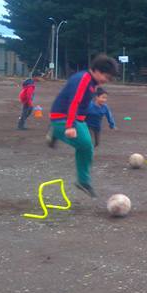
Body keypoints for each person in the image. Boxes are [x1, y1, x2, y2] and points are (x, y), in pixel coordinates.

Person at [45, 55, 119, 197]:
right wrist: (70, 126)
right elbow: (74, 102)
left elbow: (85, 104)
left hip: (77, 118)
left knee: (87, 147)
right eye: (106, 76)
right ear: (96, 70)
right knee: (84, 144)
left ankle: (83, 181)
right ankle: (55, 131)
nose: (107, 80)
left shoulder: (93, 82)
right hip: (62, 117)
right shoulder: (83, 79)